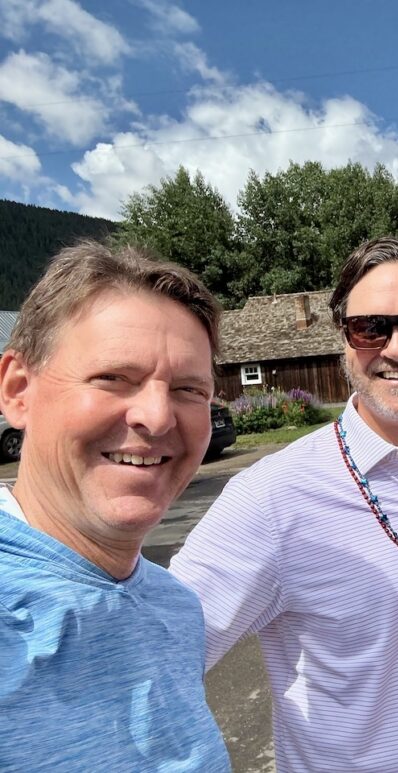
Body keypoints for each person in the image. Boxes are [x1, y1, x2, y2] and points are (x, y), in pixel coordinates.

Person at [170, 237, 398, 772]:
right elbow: (151, 664)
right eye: (370, 328)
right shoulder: (272, 496)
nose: (397, 348)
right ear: (344, 340)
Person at [0, 241, 230, 771]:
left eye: (188, 389)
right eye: (113, 378)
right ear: (18, 390)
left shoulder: (174, 605)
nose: (157, 416)